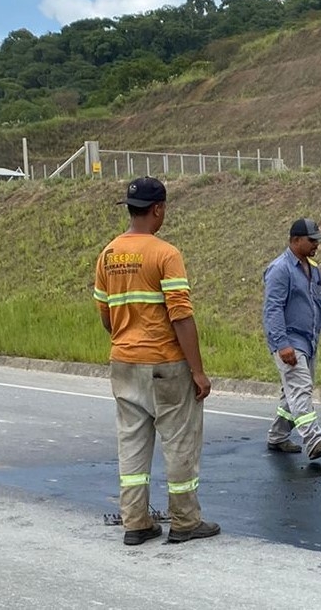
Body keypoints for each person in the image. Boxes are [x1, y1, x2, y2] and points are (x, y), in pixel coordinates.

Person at [92, 176, 220, 546]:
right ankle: (184, 521)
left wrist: (126, 339)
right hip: (165, 364)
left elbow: (106, 314)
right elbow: (180, 315)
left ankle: (135, 523)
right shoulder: (166, 254)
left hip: (124, 362)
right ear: (158, 209)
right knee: (179, 442)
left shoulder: (108, 254)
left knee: (131, 444)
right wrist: (197, 370)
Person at [262, 218, 321, 461]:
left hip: (309, 342)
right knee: (301, 388)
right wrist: (282, 344)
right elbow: (272, 309)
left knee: (292, 393)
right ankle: (314, 439)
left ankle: (277, 436)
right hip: (290, 341)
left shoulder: (313, 269)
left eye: (317, 240)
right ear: (295, 240)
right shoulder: (280, 269)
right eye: (312, 240)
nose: (316, 245)